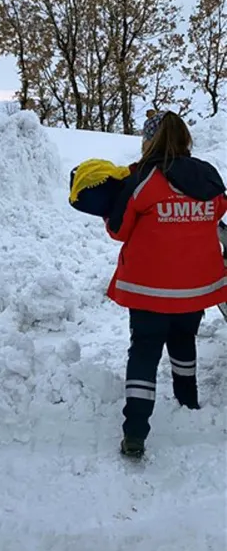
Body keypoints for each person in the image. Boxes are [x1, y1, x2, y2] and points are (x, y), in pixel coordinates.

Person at [106, 111, 227, 458]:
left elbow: (118, 230)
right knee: (183, 341)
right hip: (197, 290)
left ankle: (135, 432)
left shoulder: (143, 178)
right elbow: (218, 211)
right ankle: (188, 403)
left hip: (149, 291)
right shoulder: (208, 176)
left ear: (150, 140)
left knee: (144, 351)